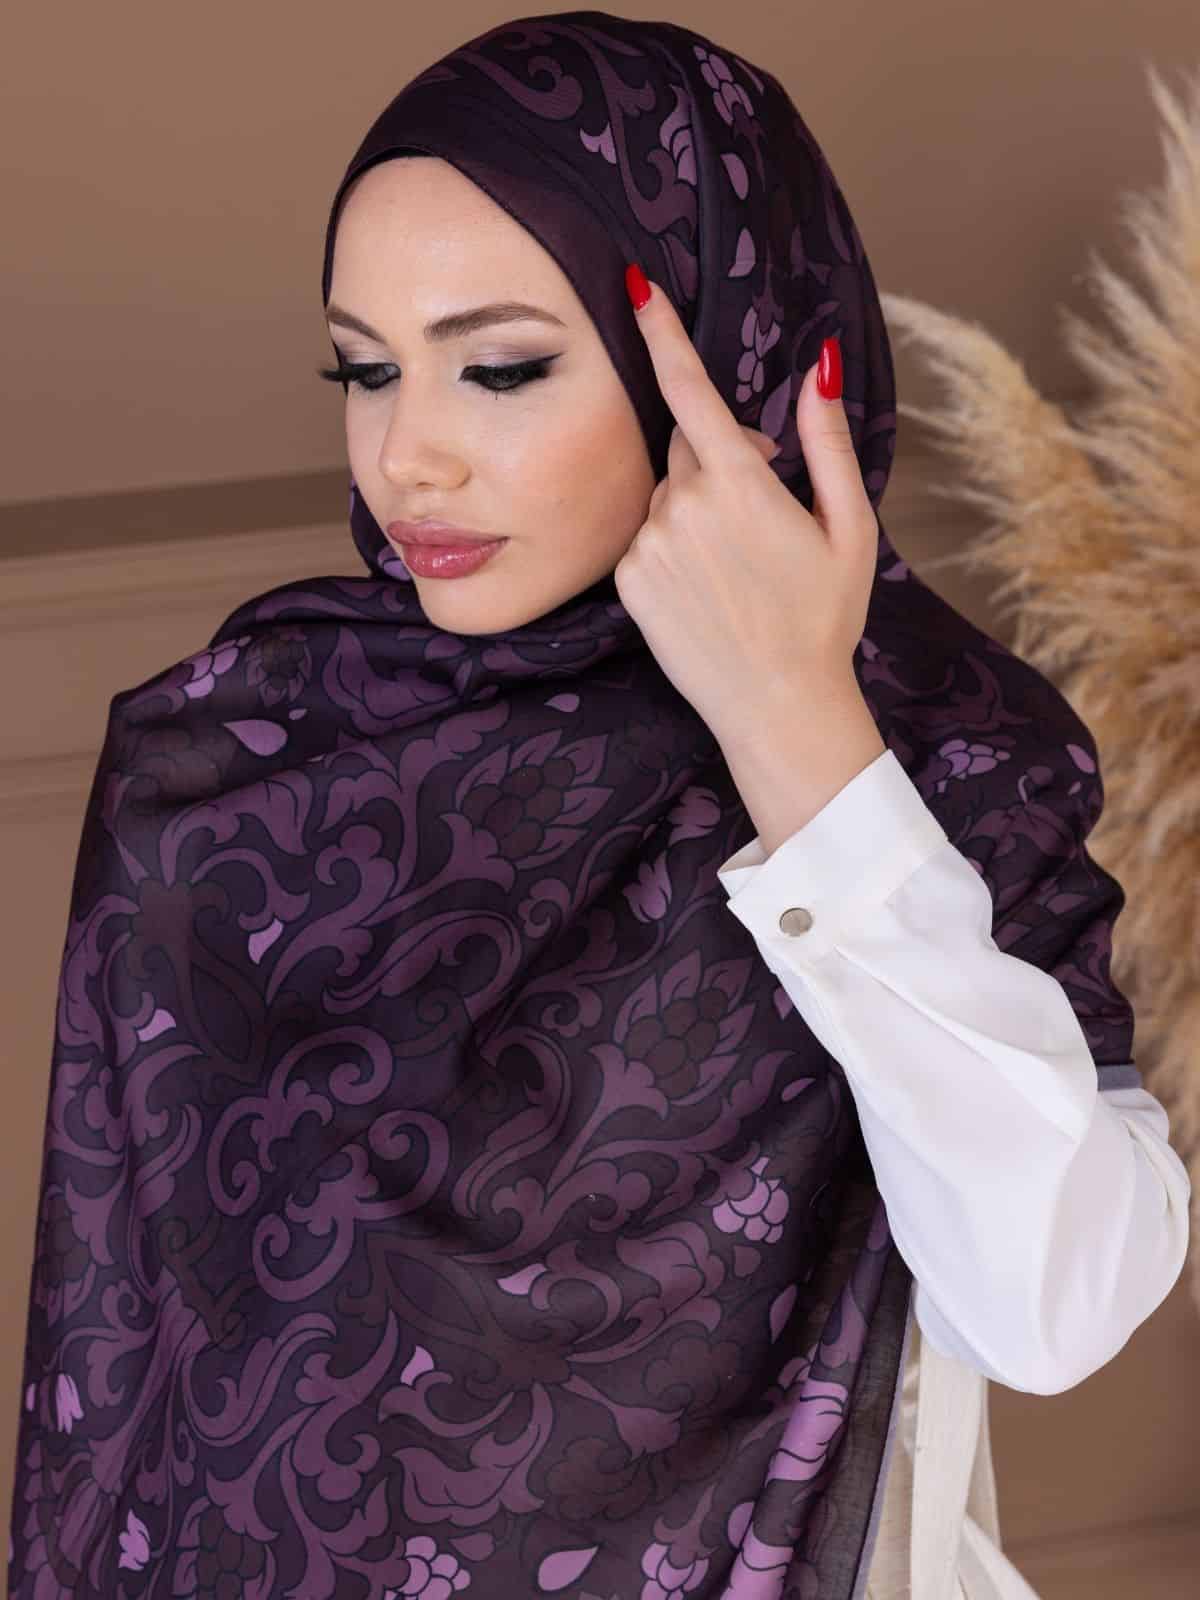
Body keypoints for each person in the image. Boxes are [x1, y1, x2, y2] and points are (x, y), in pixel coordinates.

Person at [7, 11, 1189, 1599]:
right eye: (364, 369)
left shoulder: (936, 756)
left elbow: (1052, 1313)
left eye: (499, 368)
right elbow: (134, 1420)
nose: (406, 458)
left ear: (730, 357)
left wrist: (799, 738)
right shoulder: (236, 765)